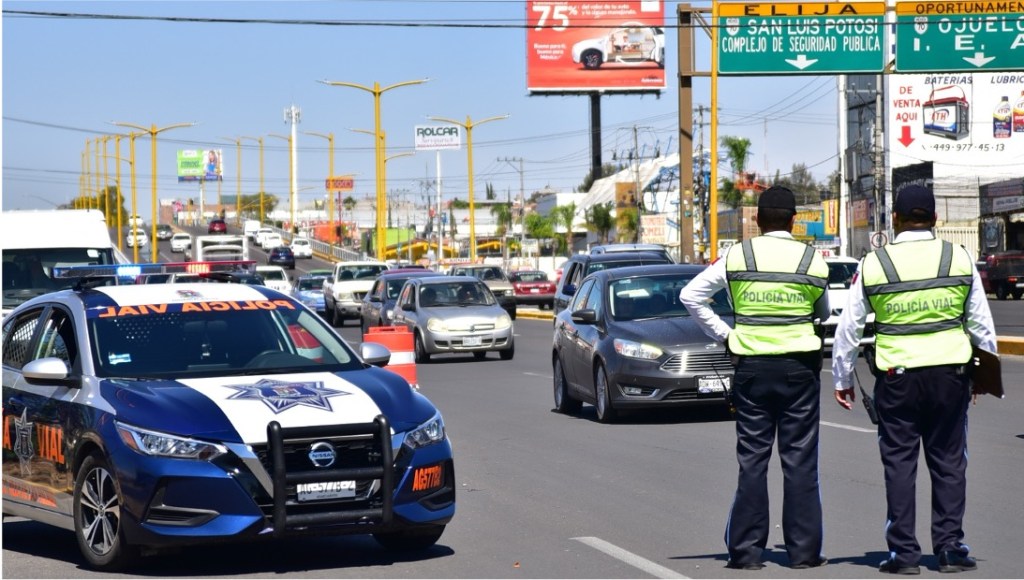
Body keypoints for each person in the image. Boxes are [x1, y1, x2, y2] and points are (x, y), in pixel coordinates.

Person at [832, 185, 996, 575]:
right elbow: (981, 325)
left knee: (900, 466)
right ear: (935, 219)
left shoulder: (874, 264)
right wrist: (983, 378)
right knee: (950, 464)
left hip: (897, 381)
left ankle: (904, 556)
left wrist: (842, 378)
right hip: (949, 379)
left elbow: (848, 328)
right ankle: (950, 549)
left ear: (895, 221)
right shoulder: (958, 258)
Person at [679, 185, 830, 571]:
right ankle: (803, 553)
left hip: (751, 369)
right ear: (794, 222)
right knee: (799, 461)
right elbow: (822, 313)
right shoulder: (812, 261)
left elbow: (691, 296)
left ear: (757, 220)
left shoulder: (737, 256)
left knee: (753, 460)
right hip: (799, 369)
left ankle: (746, 552)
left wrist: (726, 335)